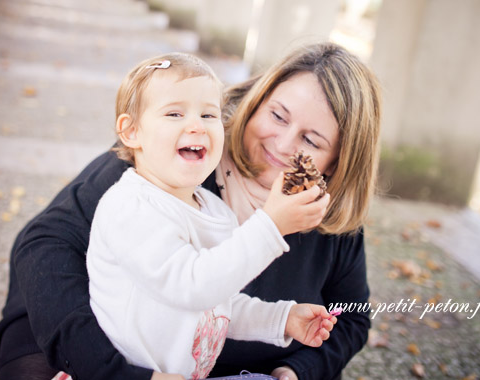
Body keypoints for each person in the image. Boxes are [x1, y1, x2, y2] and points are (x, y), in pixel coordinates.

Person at [0, 42, 381, 380]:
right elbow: (45, 244)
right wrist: (107, 368)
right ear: (257, 101)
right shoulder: (180, 152)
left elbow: (351, 317)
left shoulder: (330, 216)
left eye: (311, 140)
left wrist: (297, 369)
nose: (282, 143)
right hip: (88, 342)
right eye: (277, 116)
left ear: (336, 163)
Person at [56, 53, 336, 380]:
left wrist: (282, 319)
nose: (196, 125)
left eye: (208, 114)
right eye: (175, 113)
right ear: (131, 132)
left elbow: (216, 305)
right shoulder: (129, 207)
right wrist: (270, 227)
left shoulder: (213, 210)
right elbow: (194, 285)